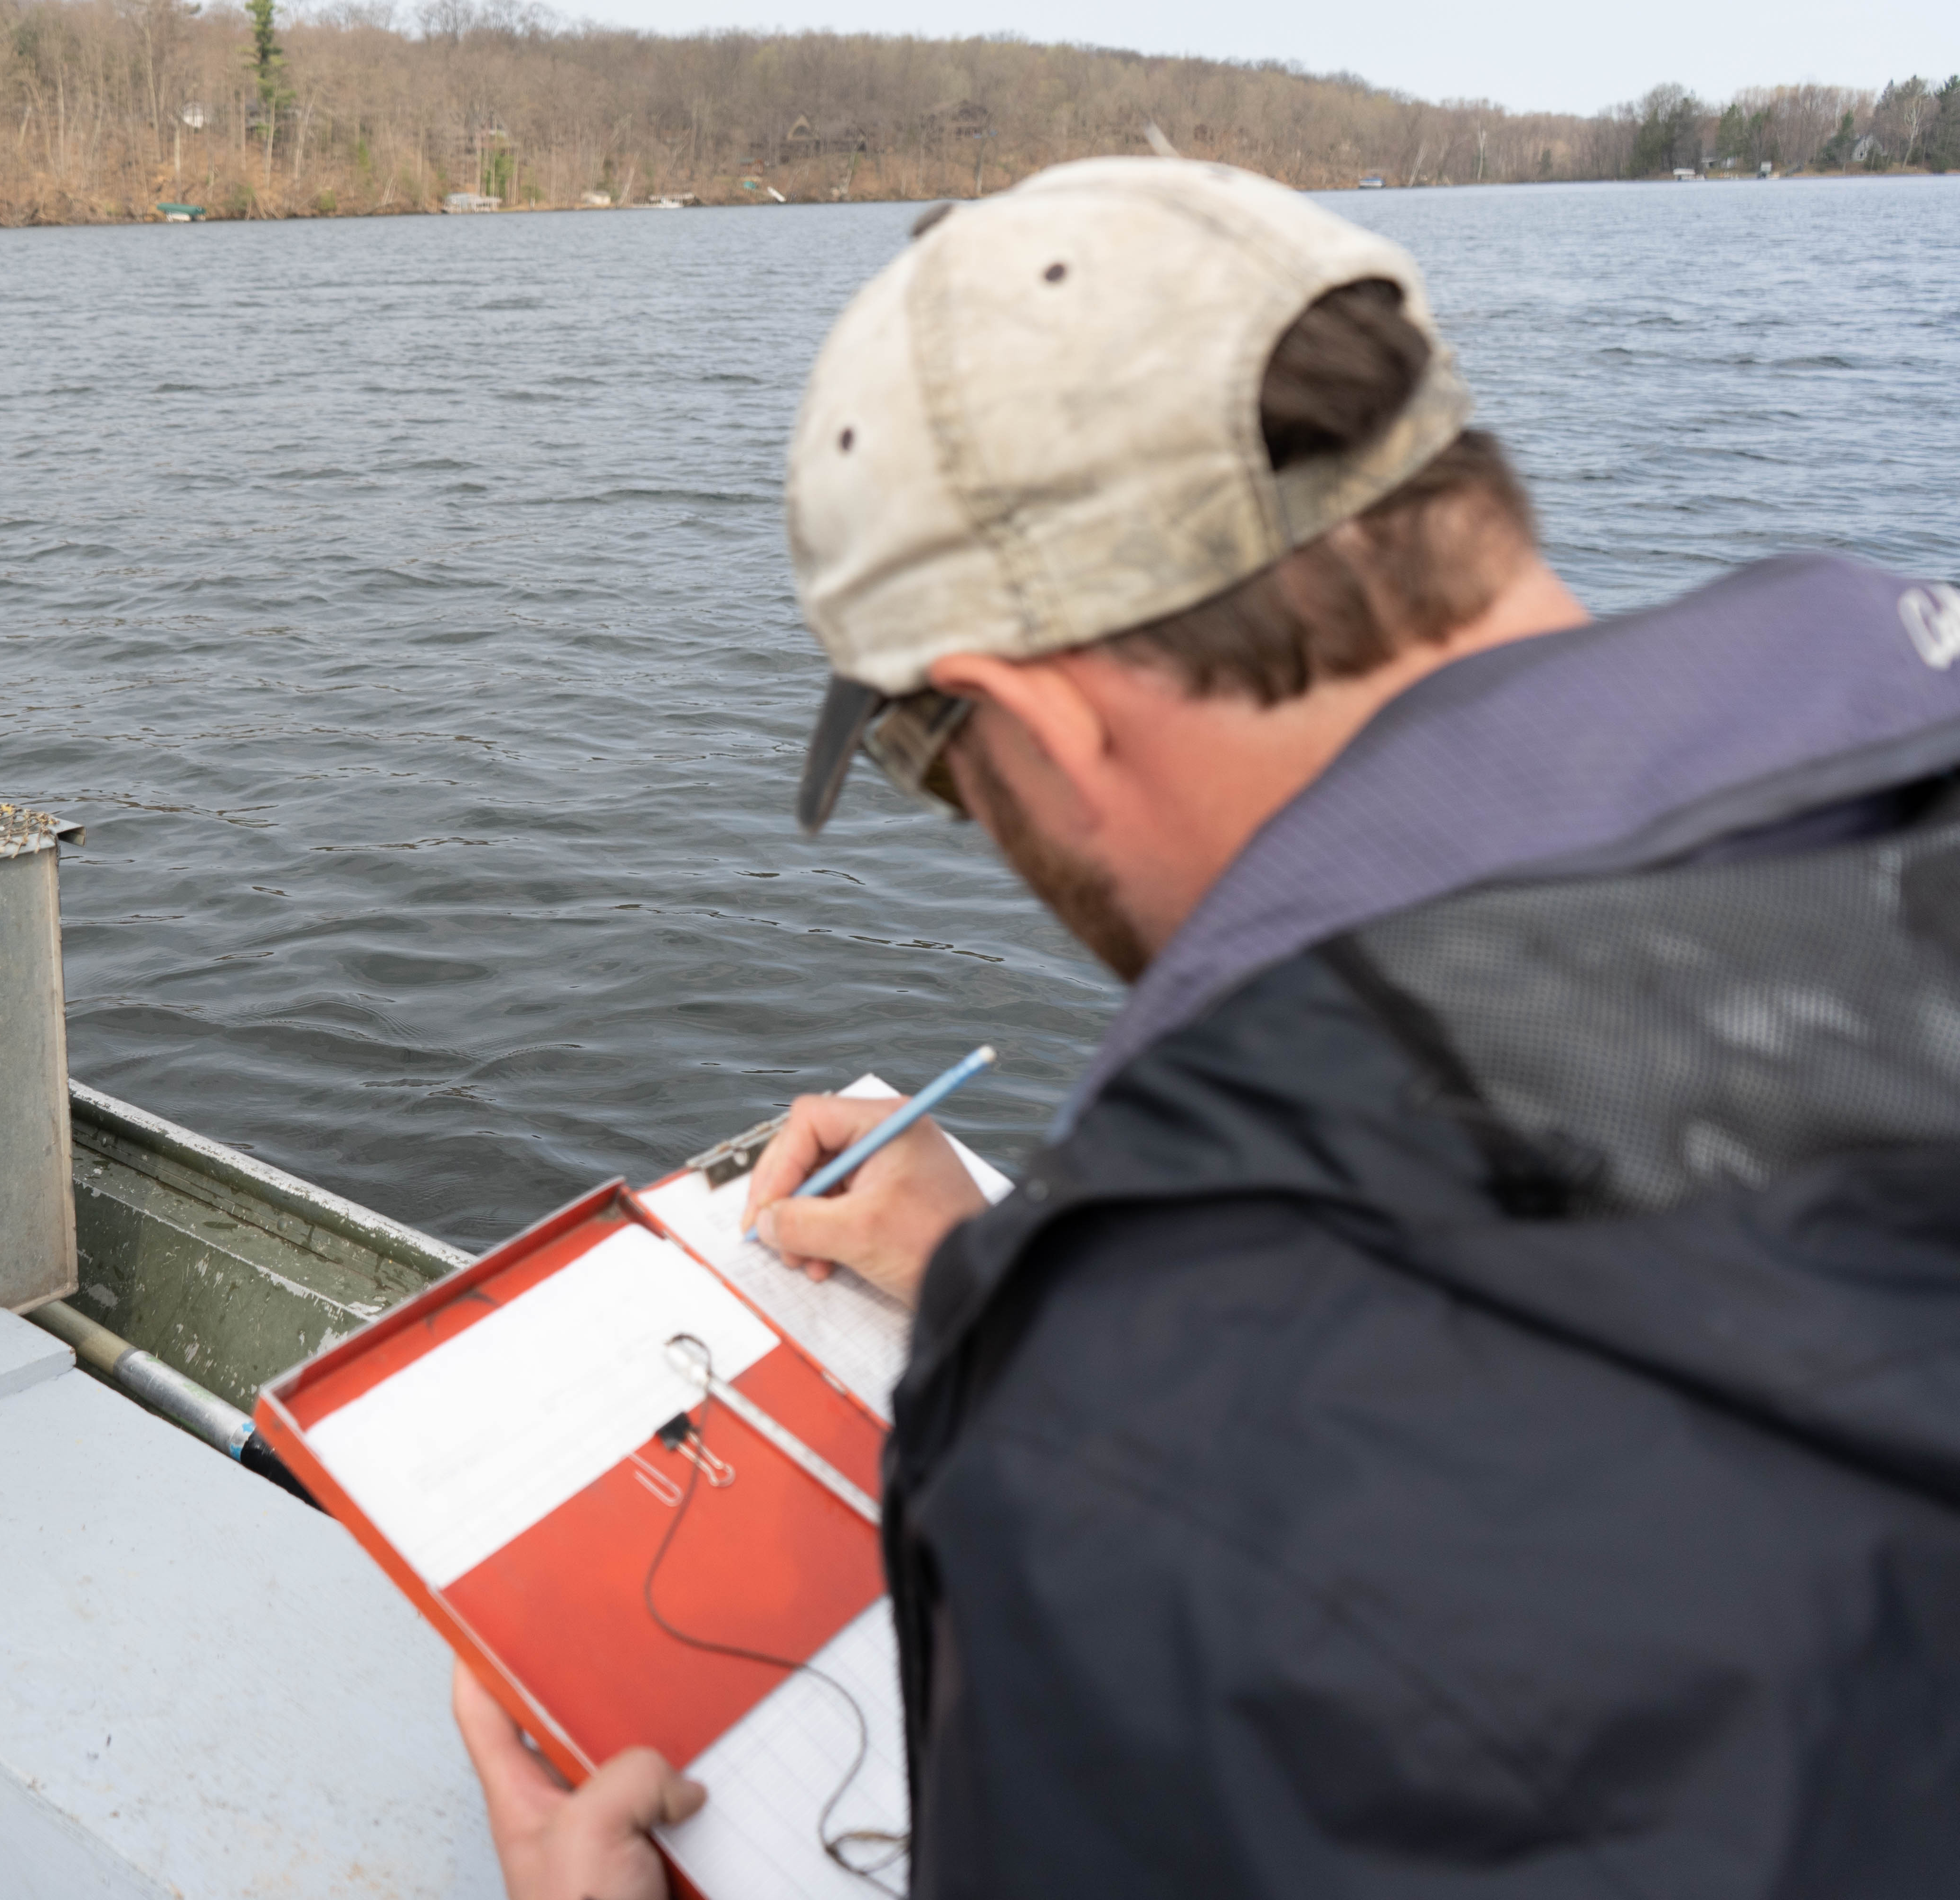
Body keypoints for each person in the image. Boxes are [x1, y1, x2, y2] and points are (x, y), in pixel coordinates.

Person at [454, 155, 1960, 1898]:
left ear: (1042, 720)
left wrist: (1117, 1332)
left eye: (940, 774)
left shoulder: (1134, 1449)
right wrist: (1045, 1271)